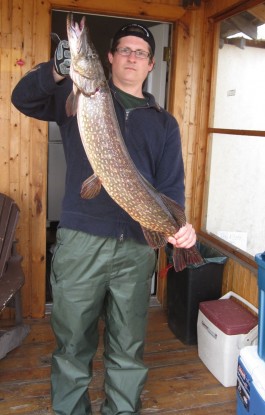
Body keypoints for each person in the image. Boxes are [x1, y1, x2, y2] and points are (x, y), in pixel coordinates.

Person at [11, 21, 197, 415]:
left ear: (150, 65)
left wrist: (179, 229)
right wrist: (57, 70)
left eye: (140, 53)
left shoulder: (164, 123)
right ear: (109, 59)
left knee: (128, 345)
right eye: (124, 50)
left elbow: (171, 186)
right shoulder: (78, 95)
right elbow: (22, 99)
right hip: (82, 241)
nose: (132, 57)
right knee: (73, 342)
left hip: (136, 249)